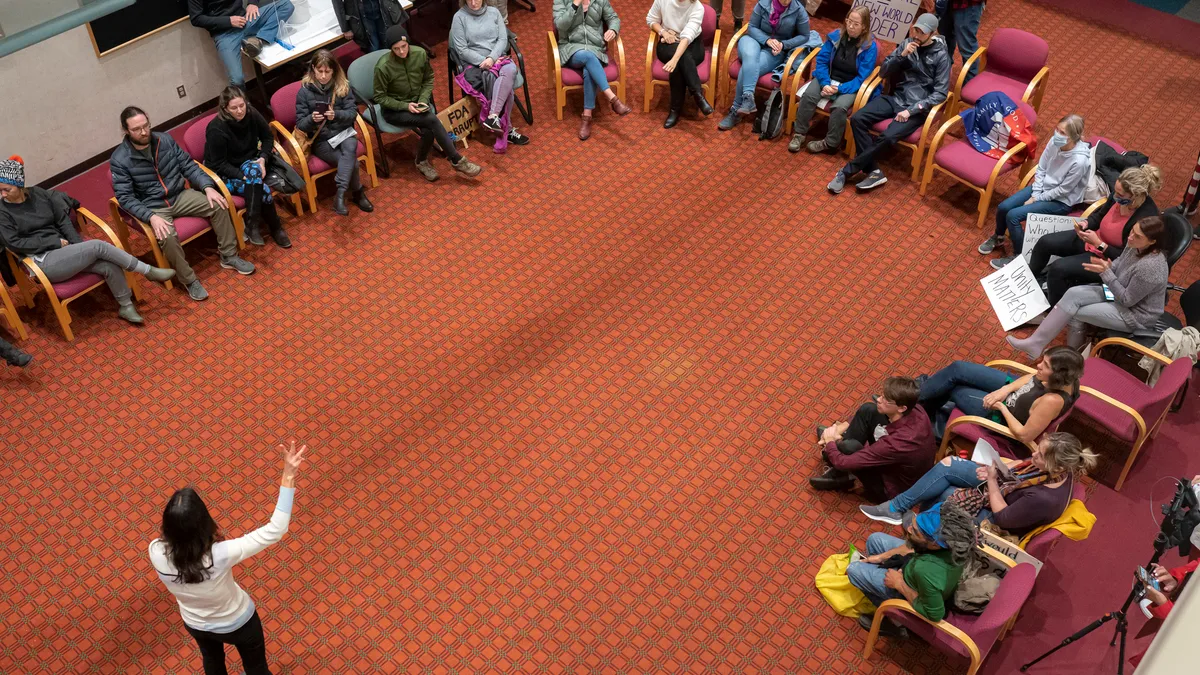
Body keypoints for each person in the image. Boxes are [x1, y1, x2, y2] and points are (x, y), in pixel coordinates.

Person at [149, 441, 306, 675]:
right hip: (238, 622)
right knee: (256, 669)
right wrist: (288, 473)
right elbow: (276, 529)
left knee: (212, 661)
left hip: (195, 623)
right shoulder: (220, 555)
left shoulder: (155, 551)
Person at [0, 157, 176, 324]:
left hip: (65, 251)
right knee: (99, 246)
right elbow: (14, 243)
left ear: (19, 185)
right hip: (42, 260)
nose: (3, 194)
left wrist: (79, 248)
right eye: (0, 190)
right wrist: (54, 243)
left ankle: (126, 306)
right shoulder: (3, 211)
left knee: (108, 263)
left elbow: (62, 220)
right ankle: (147, 270)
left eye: (7, 189)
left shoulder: (38, 194)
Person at [111, 107, 255, 302]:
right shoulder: (120, 160)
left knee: (219, 203)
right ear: (126, 131)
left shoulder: (165, 140)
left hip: (179, 195)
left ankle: (228, 256)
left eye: (146, 126)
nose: (144, 132)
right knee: (167, 236)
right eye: (137, 129)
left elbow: (188, 165)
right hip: (154, 206)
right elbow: (125, 198)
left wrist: (207, 187)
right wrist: (150, 217)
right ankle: (189, 280)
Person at [859, 432, 1097, 538]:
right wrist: (995, 470)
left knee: (948, 493)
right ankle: (897, 508)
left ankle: (922, 529)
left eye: (1040, 455)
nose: (1034, 455)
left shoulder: (1044, 499)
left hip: (997, 518)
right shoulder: (1056, 469)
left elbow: (1004, 518)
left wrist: (993, 481)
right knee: (949, 464)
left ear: (1057, 468)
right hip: (1006, 487)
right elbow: (1023, 468)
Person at [1008, 217, 1172, 358]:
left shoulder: (1151, 267)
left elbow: (1128, 300)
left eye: (1137, 236)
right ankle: (1035, 343)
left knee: (1075, 313)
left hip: (1136, 315)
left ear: (1152, 242)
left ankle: (1071, 360)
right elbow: (1119, 263)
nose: (1130, 237)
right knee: (1073, 294)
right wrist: (1107, 268)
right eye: (1132, 231)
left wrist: (1106, 273)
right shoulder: (1135, 245)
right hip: (1118, 293)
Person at [827, 13, 949, 194]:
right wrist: (901, 55)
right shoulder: (907, 44)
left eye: (921, 32)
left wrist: (912, 110)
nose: (916, 35)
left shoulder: (941, 56)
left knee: (887, 136)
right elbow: (883, 72)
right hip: (896, 97)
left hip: (915, 108)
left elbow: (941, 93)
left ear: (932, 34)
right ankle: (873, 171)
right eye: (915, 29)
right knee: (858, 118)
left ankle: (847, 171)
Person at [1030, 164, 1162, 305]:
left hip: (1107, 259)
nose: (1115, 196)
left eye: (1120, 195)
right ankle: (1029, 280)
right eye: (1115, 192)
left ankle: (1054, 309)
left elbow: (1126, 258)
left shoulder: (1146, 218)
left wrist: (1099, 245)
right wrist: (1086, 224)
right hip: (1092, 239)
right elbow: (1099, 216)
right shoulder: (1118, 196)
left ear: (1135, 195)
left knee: (1058, 268)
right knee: (1045, 242)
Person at [846, 501, 977, 636]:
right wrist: (881, 557)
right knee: (875, 539)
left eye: (915, 531)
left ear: (934, 545)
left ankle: (897, 622)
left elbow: (935, 614)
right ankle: (881, 587)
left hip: (912, 589)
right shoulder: (953, 543)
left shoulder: (925, 570)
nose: (908, 529)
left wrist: (899, 584)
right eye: (914, 524)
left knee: (854, 569)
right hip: (915, 569)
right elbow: (915, 548)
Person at [979, 114, 1092, 267]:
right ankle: (999, 237)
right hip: (1042, 188)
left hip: (1060, 200)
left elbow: (1063, 190)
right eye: (1057, 129)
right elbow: (1042, 167)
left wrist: (1036, 198)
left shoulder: (1080, 162)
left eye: (1063, 133)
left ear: (1074, 137)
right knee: (1003, 207)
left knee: (1013, 216)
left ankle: (1019, 256)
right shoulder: (1054, 141)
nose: (1057, 134)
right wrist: (1037, 192)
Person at [373, 26, 484, 182]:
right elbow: (380, 97)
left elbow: (428, 79)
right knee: (431, 120)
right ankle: (456, 160)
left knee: (429, 126)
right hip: (394, 110)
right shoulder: (383, 67)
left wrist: (423, 100)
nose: (402, 52)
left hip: (418, 104)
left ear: (408, 43)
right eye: (396, 49)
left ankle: (421, 161)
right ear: (391, 49)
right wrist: (406, 106)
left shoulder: (420, 54)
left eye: (404, 47)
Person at [917, 346, 1083, 447]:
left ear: (1058, 376)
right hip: (1011, 391)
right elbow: (1033, 377)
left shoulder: (1051, 401)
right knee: (958, 368)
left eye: (1045, 365)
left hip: (1000, 415)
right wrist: (1006, 389)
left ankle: (915, 405)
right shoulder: (1065, 378)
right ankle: (921, 396)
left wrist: (1001, 407)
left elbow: (1025, 435)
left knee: (954, 389)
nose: (1038, 365)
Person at [809, 376, 936, 503]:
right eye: (882, 395)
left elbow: (842, 462)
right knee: (868, 409)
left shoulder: (896, 443)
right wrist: (843, 426)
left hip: (889, 489)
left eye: (886, 399)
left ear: (902, 407)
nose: (879, 399)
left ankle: (840, 472)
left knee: (849, 447)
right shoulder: (915, 409)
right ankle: (837, 458)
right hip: (898, 463)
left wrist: (831, 441)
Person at [204, 87, 292, 249]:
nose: (240, 111)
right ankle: (274, 227)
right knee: (263, 189)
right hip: (225, 172)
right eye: (234, 108)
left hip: (249, 162)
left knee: (254, 171)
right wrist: (242, 176)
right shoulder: (216, 129)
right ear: (225, 109)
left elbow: (267, 137)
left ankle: (252, 224)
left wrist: (263, 159)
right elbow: (219, 164)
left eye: (242, 105)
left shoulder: (251, 113)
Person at [787, 5, 876, 153]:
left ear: (864, 28)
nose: (851, 26)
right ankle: (799, 134)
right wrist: (825, 82)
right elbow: (821, 61)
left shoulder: (869, 47)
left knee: (840, 107)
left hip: (850, 84)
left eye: (856, 24)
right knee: (809, 96)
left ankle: (830, 143)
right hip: (828, 77)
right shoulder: (835, 37)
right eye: (849, 21)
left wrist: (840, 89)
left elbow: (861, 78)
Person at [296, 50, 374, 217]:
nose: (323, 76)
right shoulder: (304, 92)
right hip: (322, 140)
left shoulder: (343, 86)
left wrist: (336, 115)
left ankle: (340, 195)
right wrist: (312, 119)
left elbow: (353, 113)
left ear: (334, 71)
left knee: (351, 145)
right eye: (319, 71)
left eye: (327, 71)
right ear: (313, 69)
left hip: (344, 132)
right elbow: (301, 124)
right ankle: (356, 193)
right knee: (351, 161)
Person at [450, 0, 531, 152]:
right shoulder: (459, 18)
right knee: (505, 85)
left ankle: (493, 116)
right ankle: (507, 130)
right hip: (475, 64)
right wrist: (484, 61)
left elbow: (502, 39)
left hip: (496, 59)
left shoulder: (494, 13)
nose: (474, 3)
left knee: (511, 69)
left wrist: (492, 58)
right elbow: (461, 50)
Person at [717, 0, 810, 132]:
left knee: (748, 67)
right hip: (752, 40)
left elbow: (805, 36)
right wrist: (766, 40)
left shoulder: (799, 11)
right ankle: (747, 98)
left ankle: (736, 111)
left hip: (774, 51)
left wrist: (784, 44)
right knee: (750, 56)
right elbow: (752, 27)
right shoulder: (763, 3)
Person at [552, 0, 633, 141]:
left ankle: (587, 116)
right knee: (587, 56)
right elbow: (560, 25)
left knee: (589, 70)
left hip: (595, 48)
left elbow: (613, 18)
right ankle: (612, 98)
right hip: (570, 49)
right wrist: (575, 4)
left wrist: (613, 29)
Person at [188, 1, 296, 87]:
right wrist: (228, 21)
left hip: (245, 21)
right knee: (237, 80)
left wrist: (252, 3)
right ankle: (244, 110)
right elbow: (196, 19)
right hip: (224, 34)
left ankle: (259, 40)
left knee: (286, 6)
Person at [647, 0, 714, 129]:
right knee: (681, 60)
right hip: (668, 42)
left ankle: (674, 110)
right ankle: (697, 95)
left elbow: (687, 37)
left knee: (678, 63)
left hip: (692, 45)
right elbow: (651, 20)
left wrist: (674, 59)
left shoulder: (697, 7)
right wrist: (663, 33)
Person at [937, 0, 985, 85]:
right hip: (945, 4)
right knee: (944, 42)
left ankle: (969, 88)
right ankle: (942, 80)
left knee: (967, 47)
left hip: (968, 4)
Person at [334, 0, 408, 54]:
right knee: (374, 47)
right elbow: (337, 3)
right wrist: (345, 28)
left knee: (390, 43)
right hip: (361, 18)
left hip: (384, 9)